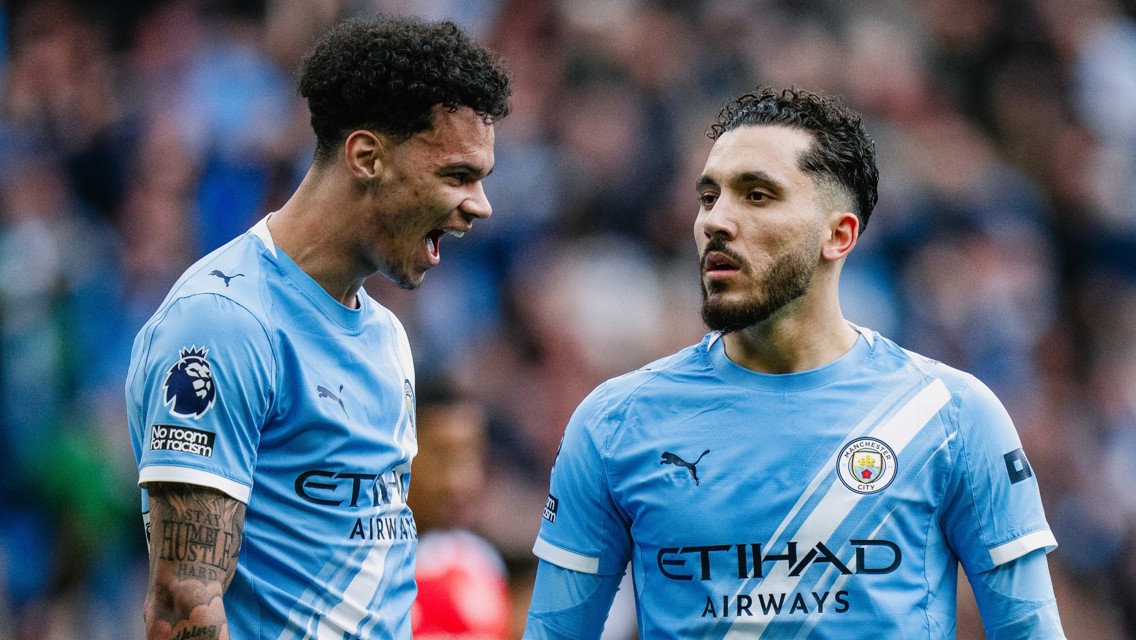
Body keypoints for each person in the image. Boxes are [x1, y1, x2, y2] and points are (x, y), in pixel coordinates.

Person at [523, 87, 1066, 639]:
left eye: (757, 195)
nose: (716, 221)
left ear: (839, 234)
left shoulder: (950, 415)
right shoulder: (614, 423)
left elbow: (1029, 630)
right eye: (709, 198)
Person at [126, 15, 510, 640]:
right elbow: (181, 603)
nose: (480, 205)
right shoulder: (224, 324)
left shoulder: (388, 338)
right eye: (457, 176)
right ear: (366, 157)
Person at [408, 381, 511, 639]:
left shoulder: (482, 564)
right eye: (442, 457)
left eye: (469, 457)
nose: (459, 482)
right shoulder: (365, 568)